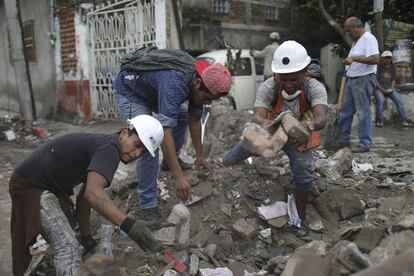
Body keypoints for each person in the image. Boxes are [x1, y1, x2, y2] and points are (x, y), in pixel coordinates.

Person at [9, 115, 165, 276]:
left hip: (43, 186)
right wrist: (129, 226)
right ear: (124, 133)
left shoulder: (107, 147)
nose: (136, 153)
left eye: (143, 151)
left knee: (71, 235)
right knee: (67, 247)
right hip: (30, 187)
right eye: (137, 145)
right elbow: (93, 193)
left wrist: (86, 236)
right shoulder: (110, 149)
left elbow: (84, 198)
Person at [112, 47, 232, 222]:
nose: (207, 103)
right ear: (197, 83)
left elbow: (194, 120)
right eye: (206, 98)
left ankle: (169, 162)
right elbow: (164, 132)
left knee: (182, 116)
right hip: (132, 90)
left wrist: (200, 157)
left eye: (211, 101)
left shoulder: (198, 82)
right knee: (147, 142)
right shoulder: (176, 82)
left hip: (153, 91)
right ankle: (148, 205)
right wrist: (179, 177)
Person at [223, 41, 328, 236]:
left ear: (304, 72)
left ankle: (299, 219)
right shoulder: (269, 86)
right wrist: (271, 127)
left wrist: (307, 126)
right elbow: (257, 117)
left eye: (294, 79)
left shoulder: (314, 87)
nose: (288, 85)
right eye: (283, 79)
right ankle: (222, 167)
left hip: (300, 138)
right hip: (273, 131)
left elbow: (321, 117)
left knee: (304, 175)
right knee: (244, 146)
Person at [338, 17, 379, 153]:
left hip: (363, 80)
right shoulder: (357, 41)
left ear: (357, 27)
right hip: (352, 80)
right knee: (345, 112)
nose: (348, 33)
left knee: (363, 113)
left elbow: (375, 59)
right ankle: (344, 141)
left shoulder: (368, 38)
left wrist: (354, 58)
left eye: (349, 30)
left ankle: (365, 144)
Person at [374, 50, 411, 127]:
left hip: (389, 89)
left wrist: (391, 88)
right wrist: (382, 90)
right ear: (382, 58)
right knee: (380, 101)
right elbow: (375, 81)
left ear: (391, 58)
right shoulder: (378, 67)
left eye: (389, 58)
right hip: (379, 89)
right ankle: (379, 121)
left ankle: (403, 120)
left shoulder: (393, 67)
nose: (387, 59)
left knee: (399, 101)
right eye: (385, 58)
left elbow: (393, 79)